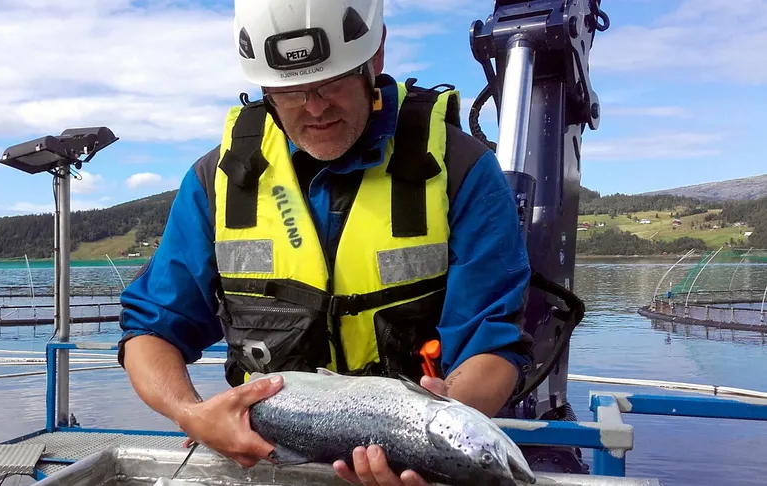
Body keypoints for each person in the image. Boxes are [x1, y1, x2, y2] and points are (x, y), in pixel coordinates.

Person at [116, 0, 534, 484]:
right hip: (268, 463)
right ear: (264, 88)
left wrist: (430, 435)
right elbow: (151, 330)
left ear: (374, 59)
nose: (314, 107)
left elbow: (494, 341)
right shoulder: (219, 180)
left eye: (332, 83)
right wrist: (191, 413)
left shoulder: (462, 170)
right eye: (291, 91)